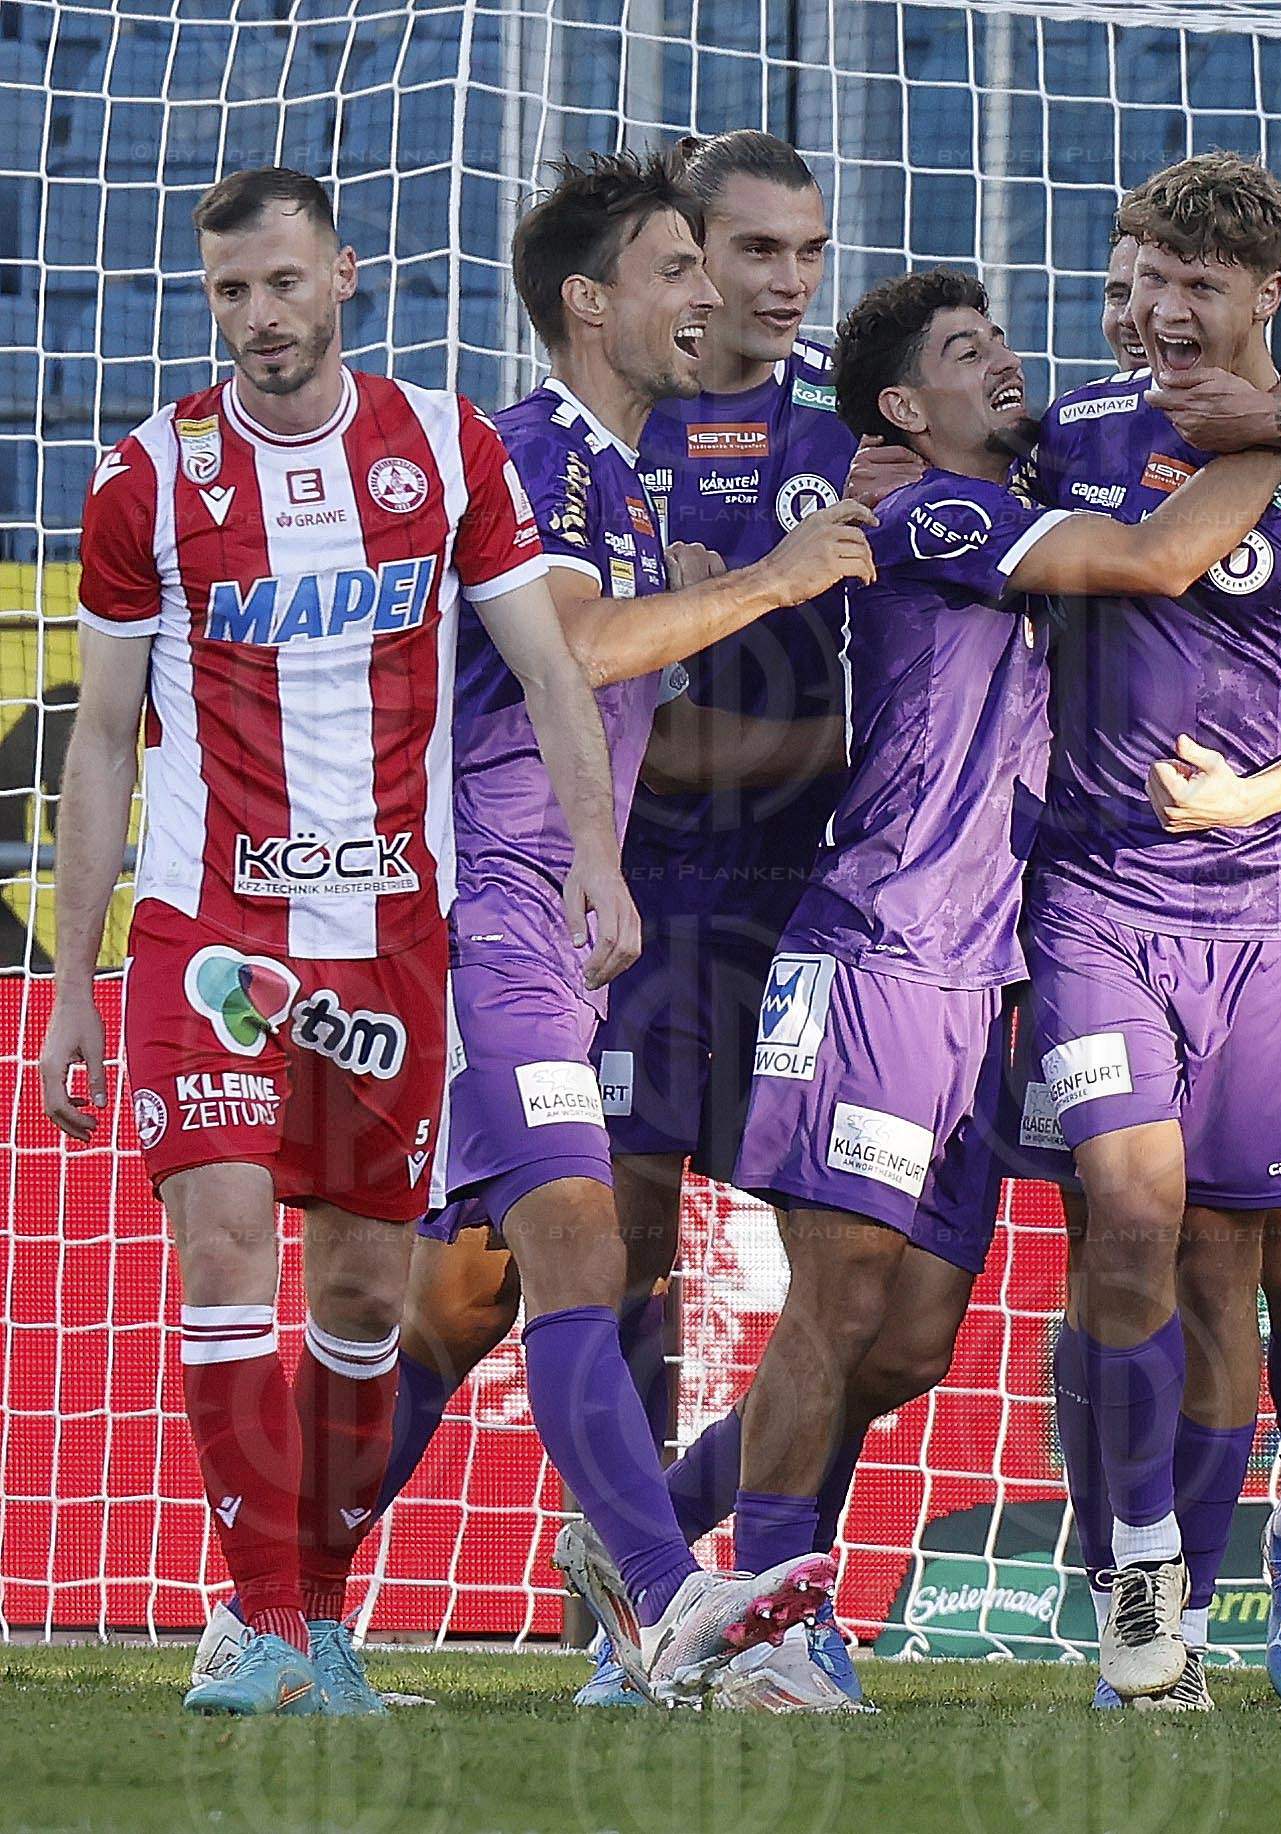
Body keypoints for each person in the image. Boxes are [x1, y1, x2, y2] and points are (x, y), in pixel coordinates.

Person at [710, 265, 1281, 1712]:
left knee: (914, 1340)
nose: (1004, 360)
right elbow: (1156, 557)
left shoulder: (1009, 488)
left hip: (985, 965)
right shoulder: (937, 511)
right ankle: (762, 1623)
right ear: (900, 406)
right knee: (838, 1302)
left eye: (999, 338)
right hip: (876, 948)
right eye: (964, 349)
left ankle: (671, 1539)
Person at [35, 165, 619, 1716]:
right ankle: (265, 1626)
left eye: (282, 283)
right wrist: (73, 979)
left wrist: (596, 859)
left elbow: (551, 672)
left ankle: (315, 1615)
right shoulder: (147, 478)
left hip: (387, 943)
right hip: (210, 936)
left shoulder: (444, 446)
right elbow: (99, 738)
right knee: (224, 1247)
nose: (257, 316)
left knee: (363, 1302)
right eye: (229, 291)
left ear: (345, 277)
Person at [349, 129, 868, 1712]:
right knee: (571, 1243)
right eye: (676, 269)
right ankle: (664, 1598)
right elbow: (574, 651)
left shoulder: (611, 473)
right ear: (592, 301)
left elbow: (591, 667)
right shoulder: (545, 454)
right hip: (472, 907)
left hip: (539, 918)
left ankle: (267, 1601)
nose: (705, 294)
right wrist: (774, 580)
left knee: (453, 1296)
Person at [1018, 153, 1281, 1707]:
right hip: (1096, 903)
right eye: (1149, 278)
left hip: (1273, 923)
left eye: (1201, 283)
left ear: (1265, 294)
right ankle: (1145, 1588)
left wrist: (1252, 794)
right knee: (1132, 1224)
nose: (1167, 311)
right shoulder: (1074, 440)